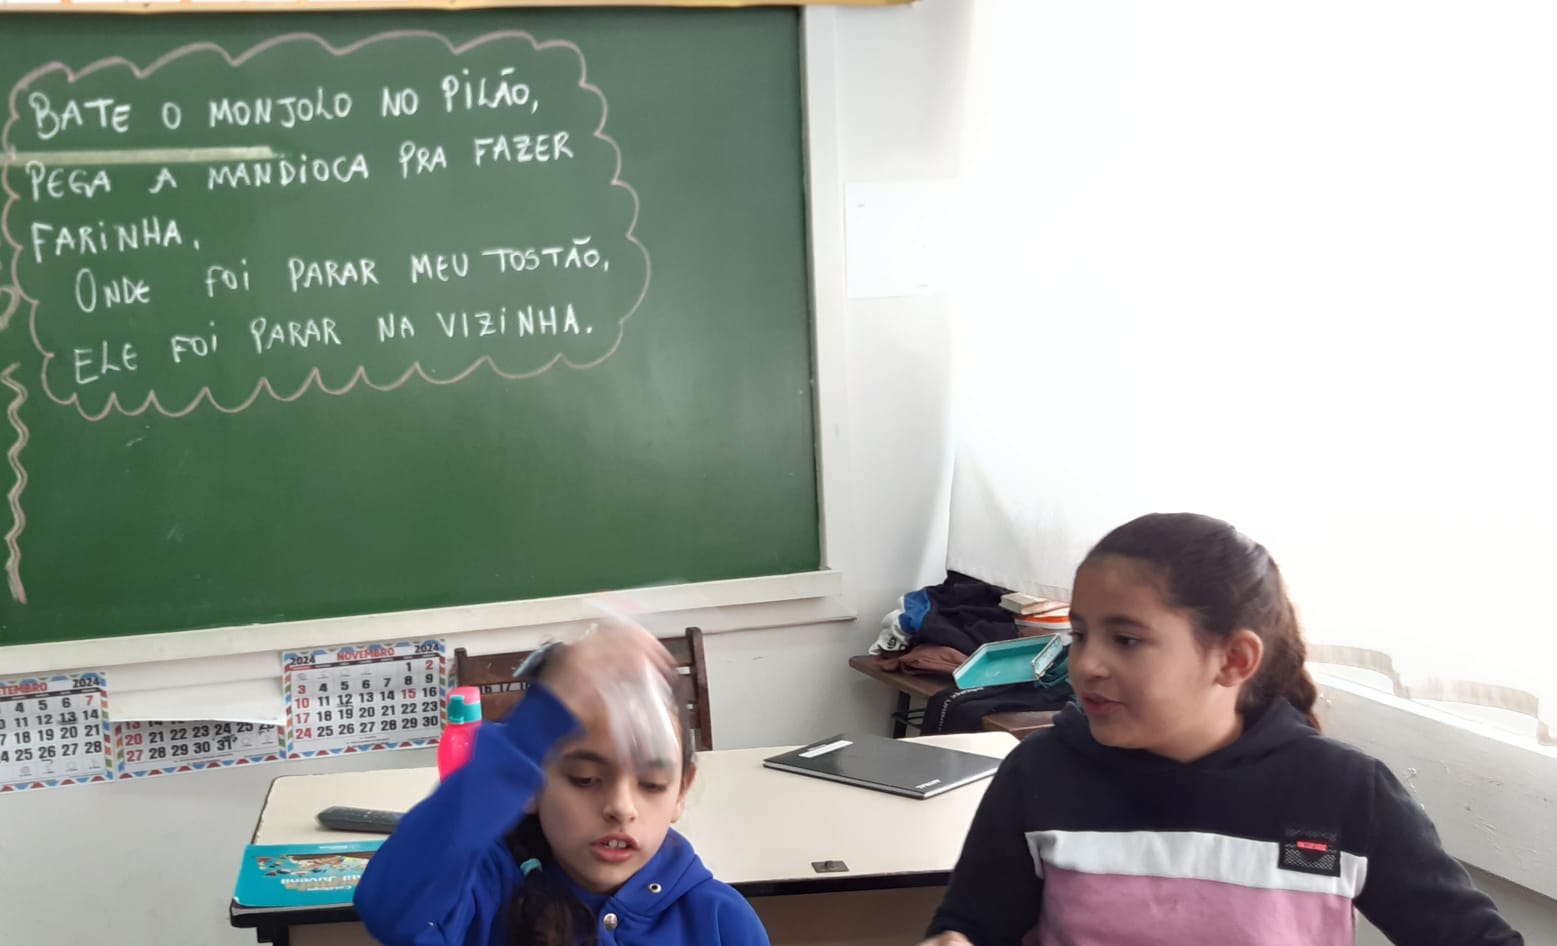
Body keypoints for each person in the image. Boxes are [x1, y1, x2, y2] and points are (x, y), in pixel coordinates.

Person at [918, 512, 1523, 946]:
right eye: (1080, 634)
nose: (1087, 663)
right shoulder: (1041, 772)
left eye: (1125, 639)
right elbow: (972, 926)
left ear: (1233, 660)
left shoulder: (1343, 793)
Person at [356, 623, 769, 946]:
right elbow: (389, 905)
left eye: (653, 784)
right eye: (585, 779)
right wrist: (532, 730)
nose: (621, 807)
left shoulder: (720, 921)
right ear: (531, 783)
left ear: (681, 790)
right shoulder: (483, 896)